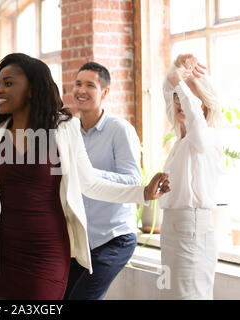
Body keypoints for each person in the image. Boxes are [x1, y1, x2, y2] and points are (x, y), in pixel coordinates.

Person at [0, 53, 170, 300]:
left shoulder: (64, 128)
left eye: (9, 83)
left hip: (46, 251)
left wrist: (142, 192)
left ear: (32, 89)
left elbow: (89, 183)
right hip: (3, 252)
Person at [64, 62, 141, 300]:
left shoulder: (120, 130)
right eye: (78, 84)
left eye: (90, 85)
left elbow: (133, 181)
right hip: (81, 241)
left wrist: (89, 174)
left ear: (105, 92)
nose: (81, 90)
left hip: (113, 237)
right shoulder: (69, 130)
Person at [159, 54, 224, 300]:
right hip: (172, 230)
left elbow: (193, 115)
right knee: (169, 296)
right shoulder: (182, 138)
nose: (179, 101)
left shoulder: (205, 138)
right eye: (178, 97)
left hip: (192, 230)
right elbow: (168, 92)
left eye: (186, 96)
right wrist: (176, 63)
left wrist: (179, 83)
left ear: (203, 104)